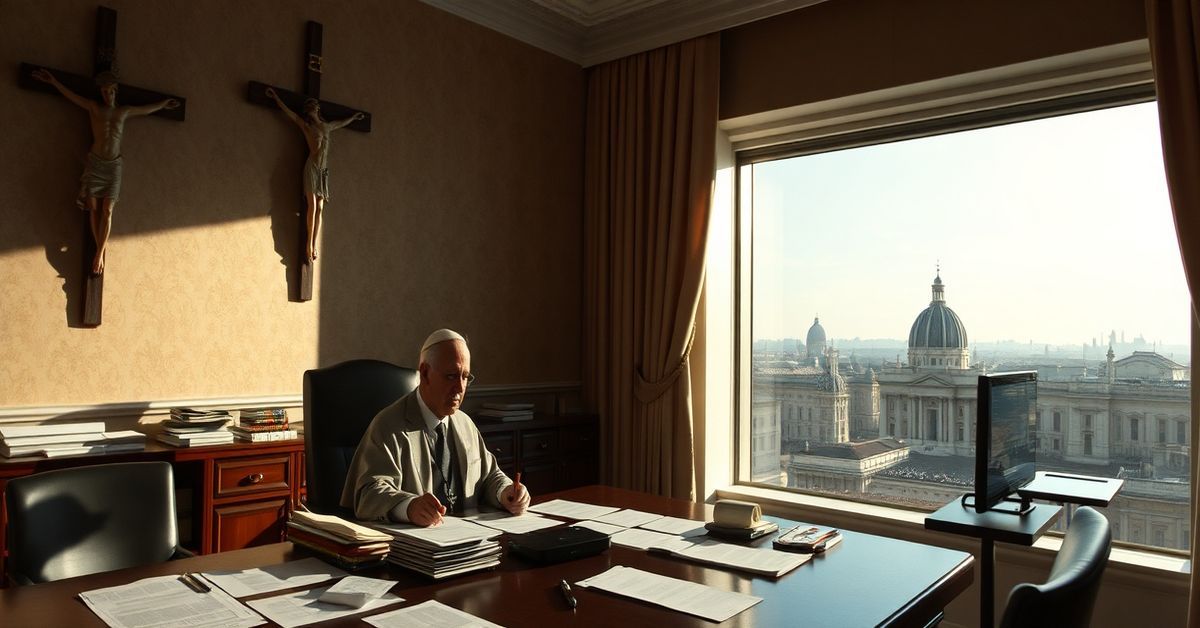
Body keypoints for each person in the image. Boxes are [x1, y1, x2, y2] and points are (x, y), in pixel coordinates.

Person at [341, 329, 530, 526]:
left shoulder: (465, 423)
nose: (460, 387)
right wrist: (408, 506)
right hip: (415, 549)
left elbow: (489, 475)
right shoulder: (388, 425)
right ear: (425, 373)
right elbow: (369, 493)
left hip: (468, 541)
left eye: (465, 377)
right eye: (451, 376)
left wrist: (506, 491)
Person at [33, 68, 180, 275]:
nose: (106, 95)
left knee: (108, 210)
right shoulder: (94, 108)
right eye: (103, 91)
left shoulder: (124, 111)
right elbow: (73, 97)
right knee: (93, 208)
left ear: (115, 91)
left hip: (113, 166)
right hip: (95, 163)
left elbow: (146, 109)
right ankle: (99, 252)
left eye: (109, 91)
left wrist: (163, 104)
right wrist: (54, 82)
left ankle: (100, 252)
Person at [264, 87, 363, 263]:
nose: (312, 110)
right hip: (312, 168)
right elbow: (291, 115)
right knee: (313, 207)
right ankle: (308, 244)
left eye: (314, 107)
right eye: (310, 108)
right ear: (308, 112)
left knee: (321, 208)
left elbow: (341, 122)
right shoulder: (306, 127)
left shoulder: (327, 126)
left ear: (317, 110)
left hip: (323, 171)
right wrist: (276, 99)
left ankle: (314, 243)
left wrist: (354, 117)